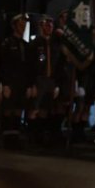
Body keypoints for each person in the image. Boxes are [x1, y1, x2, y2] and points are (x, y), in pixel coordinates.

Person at [0, 13, 36, 149]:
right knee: (9, 109)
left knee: (19, 109)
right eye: (20, 24)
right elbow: (3, 65)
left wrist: (30, 85)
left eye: (24, 24)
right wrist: (5, 84)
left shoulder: (26, 45)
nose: (23, 27)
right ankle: (7, 139)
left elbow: (30, 67)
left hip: (22, 82)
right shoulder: (7, 43)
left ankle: (15, 138)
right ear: (14, 26)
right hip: (11, 81)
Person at [30, 14, 68, 145]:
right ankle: (34, 136)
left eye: (51, 25)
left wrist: (57, 83)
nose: (49, 27)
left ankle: (45, 136)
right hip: (39, 79)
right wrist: (32, 83)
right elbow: (31, 65)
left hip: (51, 79)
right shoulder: (35, 43)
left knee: (47, 108)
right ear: (41, 26)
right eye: (46, 25)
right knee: (36, 108)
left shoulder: (55, 43)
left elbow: (59, 65)